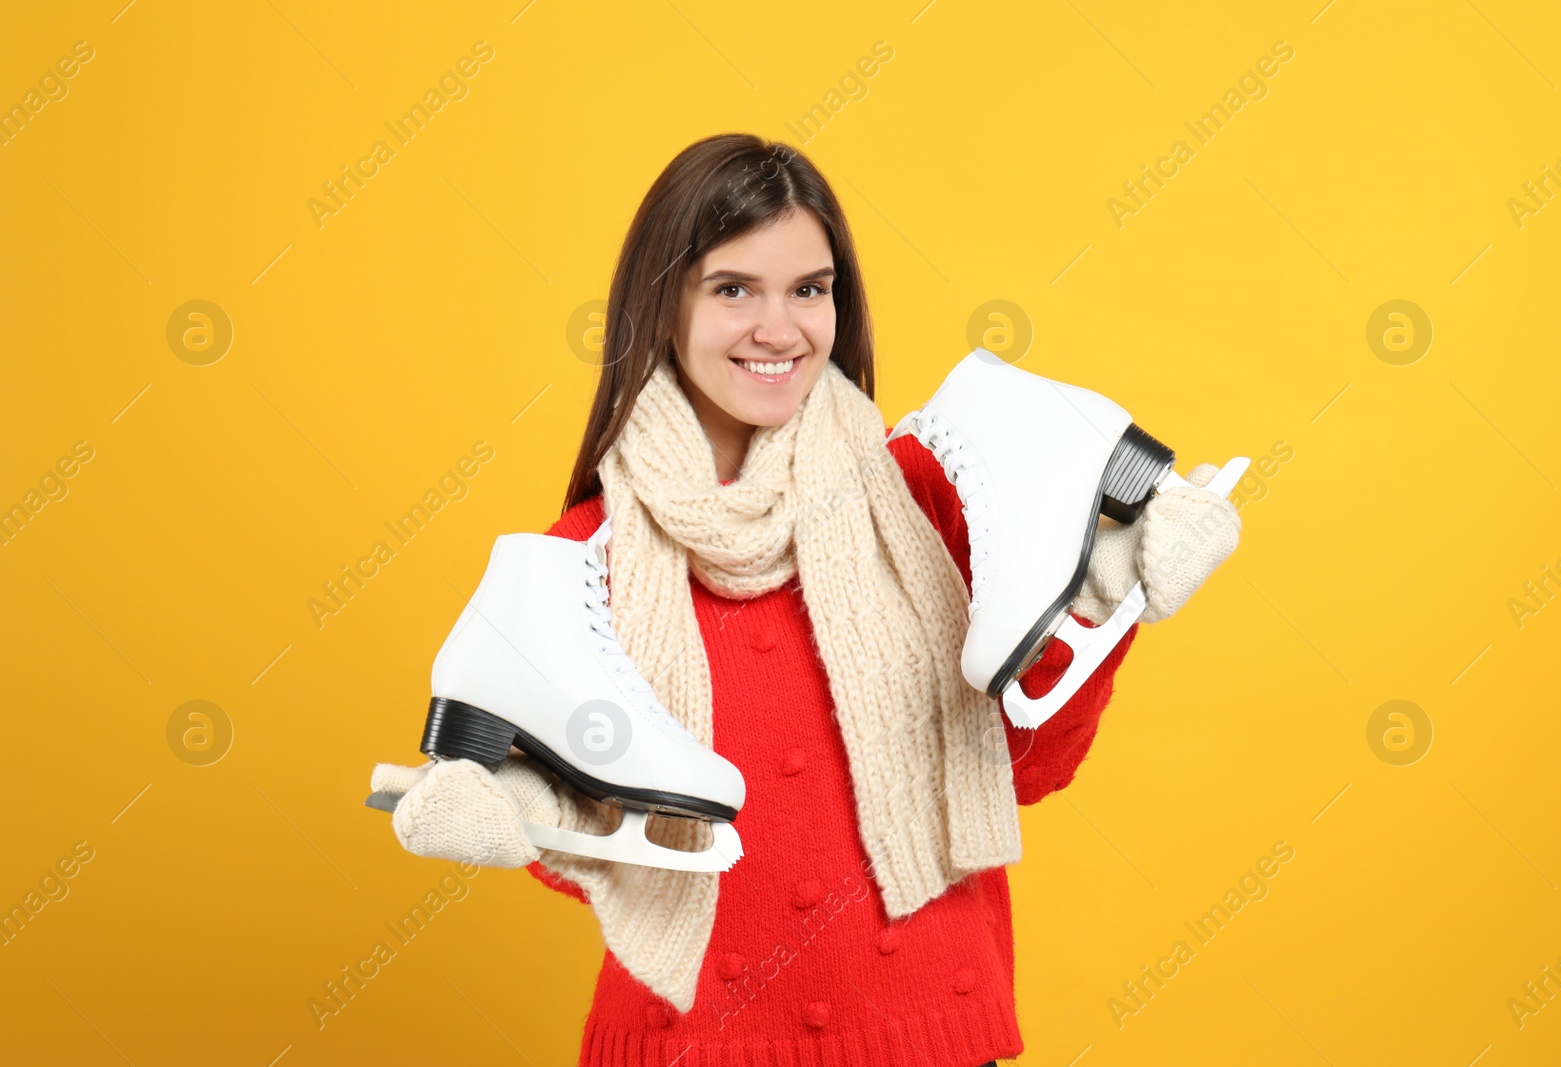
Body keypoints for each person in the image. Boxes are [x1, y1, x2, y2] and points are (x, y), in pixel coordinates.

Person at [374, 133, 1241, 1067]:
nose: (779, 329)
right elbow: (634, 851)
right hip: (692, 1044)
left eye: (809, 288)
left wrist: (1110, 594)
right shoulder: (582, 560)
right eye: (733, 287)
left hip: (929, 1031)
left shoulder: (923, 495)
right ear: (661, 303)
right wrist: (511, 806)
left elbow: (1020, 766)